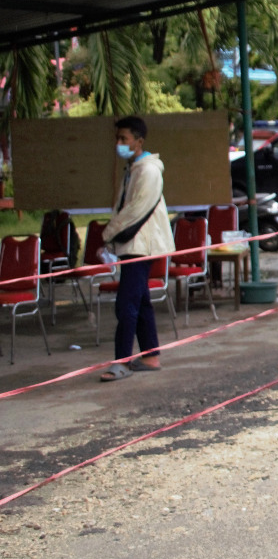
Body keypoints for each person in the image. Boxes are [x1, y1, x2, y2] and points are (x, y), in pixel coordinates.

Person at [100, 116, 175, 382]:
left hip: (141, 246)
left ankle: (121, 361)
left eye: (124, 139)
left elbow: (134, 211)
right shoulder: (133, 169)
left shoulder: (148, 171)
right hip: (134, 245)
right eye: (117, 139)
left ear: (139, 141)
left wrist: (107, 233)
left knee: (126, 304)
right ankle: (151, 356)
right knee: (141, 302)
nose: (119, 144)